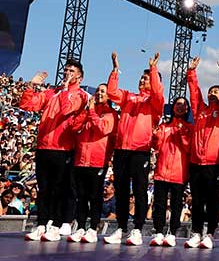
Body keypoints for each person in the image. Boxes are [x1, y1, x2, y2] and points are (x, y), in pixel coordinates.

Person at [20, 60, 89, 242]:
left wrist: (66, 89)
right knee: (43, 189)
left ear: (80, 77)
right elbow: (28, 105)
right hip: (44, 146)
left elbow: (67, 110)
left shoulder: (81, 95)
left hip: (63, 148)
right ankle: (41, 224)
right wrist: (31, 86)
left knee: (60, 188)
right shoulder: (52, 92)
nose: (67, 73)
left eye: (72, 71)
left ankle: (56, 225)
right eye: (66, 70)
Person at [103, 51, 164, 246]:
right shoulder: (129, 96)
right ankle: (121, 228)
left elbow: (158, 92)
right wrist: (115, 69)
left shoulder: (155, 103)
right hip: (121, 149)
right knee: (120, 190)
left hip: (141, 150)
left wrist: (153, 70)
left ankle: (137, 229)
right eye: (141, 78)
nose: (142, 80)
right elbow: (112, 92)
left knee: (139, 190)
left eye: (145, 79)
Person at [184, 55, 219, 249]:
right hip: (196, 163)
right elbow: (194, 93)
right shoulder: (200, 110)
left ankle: (209, 233)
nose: (212, 94)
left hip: (215, 164)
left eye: (216, 92)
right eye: (210, 91)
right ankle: (196, 232)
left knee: (212, 201)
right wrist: (191, 72)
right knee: (197, 200)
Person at [69, 83, 117, 244]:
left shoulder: (111, 114)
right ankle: (81, 226)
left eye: (103, 91)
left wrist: (91, 112)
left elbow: (103, 128)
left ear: (109, 96)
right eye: (97, 90)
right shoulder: (87, 111)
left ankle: (92, 228)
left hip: (98, 161)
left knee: (95, 196)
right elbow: (74, 128)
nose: (99, 93)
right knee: (81, 196)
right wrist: (86, 112)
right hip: (81, 159)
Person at [149, 96, 192, 247]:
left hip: (179, 173)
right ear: (173, 107)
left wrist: (182, 133)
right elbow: (157, 146)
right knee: (159, 204)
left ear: (187, 109)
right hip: (161, 170)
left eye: (183, 105)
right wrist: (155, 135)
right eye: (177, 104)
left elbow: (189, 149)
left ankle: (172, 233)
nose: (180, 107)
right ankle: (159, 231)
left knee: (176, 205)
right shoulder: (164, 126)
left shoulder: (189, 128)